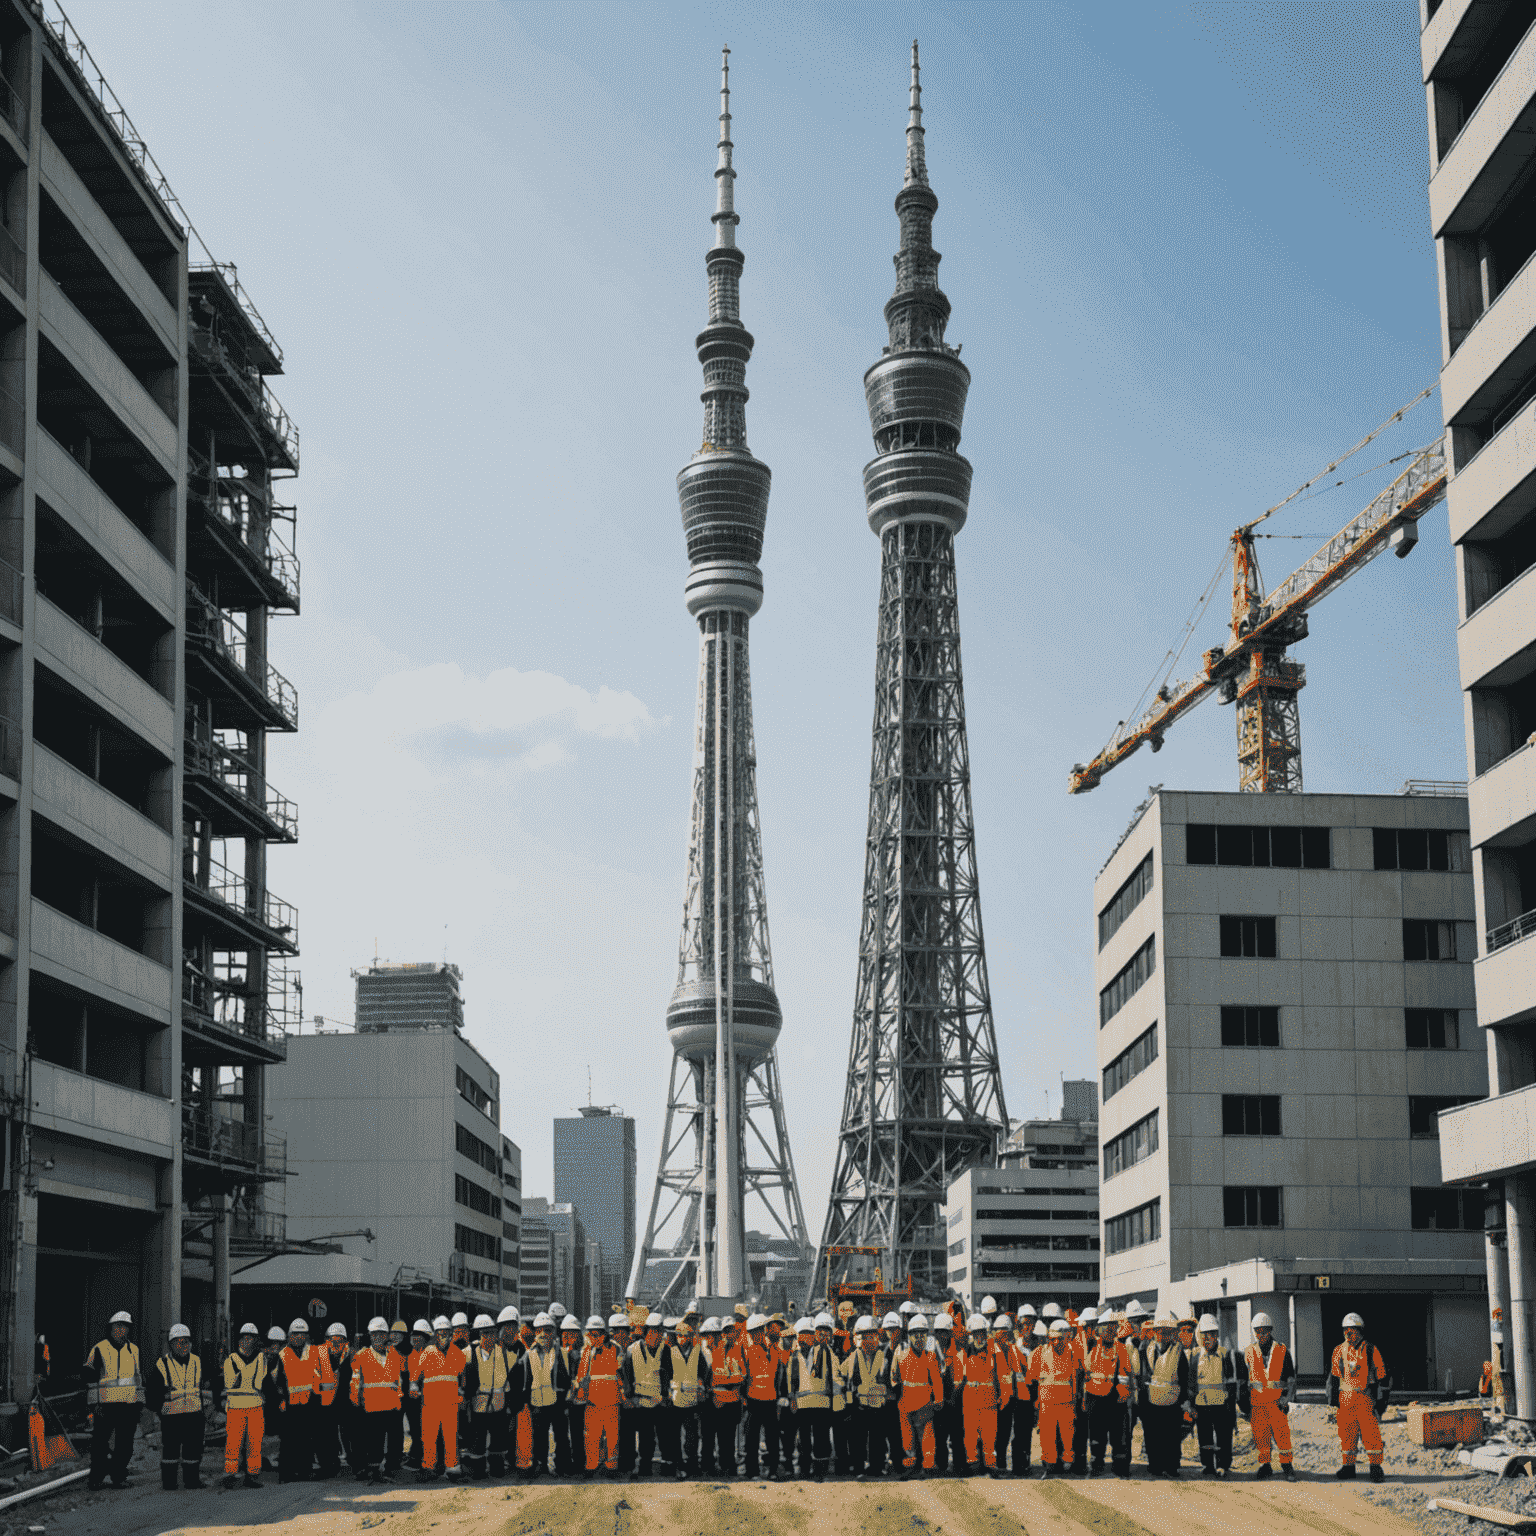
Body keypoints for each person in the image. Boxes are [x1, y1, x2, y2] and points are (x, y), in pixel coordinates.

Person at [84, 1310, 144, 1490]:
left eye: (125, 1327)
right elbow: (90, 1379)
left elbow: (138, 1378)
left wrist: (139, 1403)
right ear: (111, 1329)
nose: (121, 1330)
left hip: (128, 1406)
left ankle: (118, 1477)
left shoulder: (134, 1350)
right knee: (99, 1445)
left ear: (128, 1330)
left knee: (125, 1445)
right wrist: (94, 1405)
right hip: (105, 1406)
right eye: (118, 1327)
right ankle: (96, 1479)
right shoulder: (98, 1349)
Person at [1328, 1312, 1390, 1483]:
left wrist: (1381, 1405)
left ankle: (1376, 1468)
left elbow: (1383, 1378)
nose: (1348, 1334)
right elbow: (1333, 1379)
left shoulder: (1371, 1350)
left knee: (1371, 1434)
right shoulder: (1338, 1351)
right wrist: (1333, 1402)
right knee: (1347, 1434)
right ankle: (1348, 1467)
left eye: (1352, 1330)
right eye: (1345, 1330)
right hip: (1345, 1401)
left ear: (1360, 1331)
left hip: (1365, 1399)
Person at [147, 1323, 207, 1490]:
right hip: (171, 1417)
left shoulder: (197, 1361)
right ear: (171, 1345)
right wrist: (160, 1410)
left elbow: (199, 1388)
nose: (183, 1346)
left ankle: (192, 1481)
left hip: (194, 1415)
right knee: (170, 1452)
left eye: (186, 1341)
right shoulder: (162, 1364)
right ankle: (169, 1482)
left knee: (193, 1451)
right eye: (179, 1342)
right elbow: (151, 1394)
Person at [1240, 1312, 1297, 1481]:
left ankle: (1287, 1467)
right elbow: (1245, 1380)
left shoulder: (1282, 1350)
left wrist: (1287, 1399)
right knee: (1261, 1438)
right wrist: (1245, 1405)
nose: (1261, 1335)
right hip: (1257, 1405)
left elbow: (1291, 1378)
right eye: (1258, 1331)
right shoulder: (1249, 1352)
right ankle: (1265, 1466)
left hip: (1276, 1404)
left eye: (1264, 1331)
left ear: (1270, 1331)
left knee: (1283, 1438)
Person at [275, 1317, 331, 1482]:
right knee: (288, 1441)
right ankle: (286, 1473)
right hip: (291, 1404)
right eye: (296, 1334)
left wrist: (322, 1398)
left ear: (306, 1336)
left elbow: (325, 1377)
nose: (299, 1337)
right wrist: (281, 1400)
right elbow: (279, 1382)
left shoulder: (315, 1352)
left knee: (307, 1440)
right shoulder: (283, 1354)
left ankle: (305, 1471)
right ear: (290, 1336)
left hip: (311, 1403)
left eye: (302, 1334)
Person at [350, 1318, 405, 1483]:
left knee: (394, 1441)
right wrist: (355, 1399)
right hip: (372, 1406)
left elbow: (398, 1379)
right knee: (374, 1441)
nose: (378, 1337)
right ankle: (374, 1471)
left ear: (386, 1335)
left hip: (392, 1405)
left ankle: (390, 1470)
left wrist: (400, 1398)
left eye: (381, 1334)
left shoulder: (394, 1355)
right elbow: (355, 1379)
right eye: (375, 1334)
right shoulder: (362, 1355)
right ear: (370, 1336)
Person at [412, 1316, 466, 1481]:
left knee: (450, 1436)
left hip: (450, 1404)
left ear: (450, 1334)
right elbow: (416, 1375)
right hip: (430, 1404)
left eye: (446, 1333)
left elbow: (462, 1379)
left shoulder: (457, 1353)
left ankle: (453, 1469)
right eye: (439, 1333)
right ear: (435, 1334)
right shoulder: (427, 1352)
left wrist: (461, 1395)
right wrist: (413, 1386)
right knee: (429, 1437)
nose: (442, 1335)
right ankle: (428, 1468)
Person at [1027, 1318, 1081, 1478]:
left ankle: (1067, 1464)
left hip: (1066, 1403)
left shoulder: (1073, 1353)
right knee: (1047, 1436)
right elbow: (1031, 1379)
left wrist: (1077, 1400)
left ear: (1067, 1337)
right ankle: (1049, 1467)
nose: (1056, 1342)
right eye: (1052, 1339)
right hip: (1046, 1403)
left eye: (1059, 1339)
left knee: (1068, 1436)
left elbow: (1077, 1377)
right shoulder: (1040, 1352)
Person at [892, 1314, 944, 1480]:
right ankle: (910, 1467)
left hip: (925, 1403)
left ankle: (928, 1467)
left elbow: (936, 1379)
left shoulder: (930, 1356)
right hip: (906, 1403)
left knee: (927, 1437)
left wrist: (939, 1398)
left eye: (922, 1334)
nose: (919, 1338)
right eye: (915, 1334)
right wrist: (896, 1392)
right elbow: (893, 1376)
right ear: (909, 1336)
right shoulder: (901, 1354)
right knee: (908, 1438)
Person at [1140, 1316, 1192, 1478]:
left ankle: (1171, 1466)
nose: (1162, 1336)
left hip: (1172, 1402)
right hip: (1151, 1402)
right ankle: (1155, 1465)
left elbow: (1184, 1377)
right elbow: (1143, 1376)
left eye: (1166, 1333)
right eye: (1159, 1332)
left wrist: (1184, 1400)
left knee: (1171, 1436)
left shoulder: (1178, 1352)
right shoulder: (1146, 1350)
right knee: (1152, 1435)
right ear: (1154, 1333)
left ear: (1171, 1334)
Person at [958, 1314, 1009, 1477]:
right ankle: (973, 1465)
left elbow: (1004, 1374)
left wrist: (1005, 1393)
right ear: (971, 1334)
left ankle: (990, 1465)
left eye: (982, 1332)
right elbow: (958, 1378)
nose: (979, 1336)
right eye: (976, 1333)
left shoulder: (994, 1350)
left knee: (989, 1433)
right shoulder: (965, 1350)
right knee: (971, 1434)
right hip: (970, 1397)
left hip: (989, 1397)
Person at [1084, 1311, 1133, 1479]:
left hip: (1114, 1398)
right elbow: (1084, 1370)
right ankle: (1096, 1465)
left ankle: (1120, 1467)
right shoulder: (1091, 1346)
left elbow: (1125, 1373)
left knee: (1118, 1435)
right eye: (1107, 1327)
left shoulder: (1121, 1348)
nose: (1110, 1331)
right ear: (1099, 1329)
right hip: (1094, 1397)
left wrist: (1124, 1392)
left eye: (1113, 1328)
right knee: (1096, 1434)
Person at [465, 1314, 515, 1479]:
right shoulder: (469, 1353)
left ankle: (497, 1468)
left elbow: (515, 1370)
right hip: (478, 1404)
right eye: (485, 1333)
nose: (489, 1337)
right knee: (477, 1439)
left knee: (498, 1439)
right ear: (479, 1335)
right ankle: (478, 1470)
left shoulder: (505, 1354)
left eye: (492, 1333)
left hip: (499, 1404)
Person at [574, 1317, 625, 1478]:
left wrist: (624, 1396)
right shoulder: (586, 1351)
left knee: (612, 1436)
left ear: (604, 1334)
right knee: (591, 1435)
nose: (594, 1338)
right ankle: (591, 1465)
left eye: (597, 1334)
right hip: (592, 1401)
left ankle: (611, 1466)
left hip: (611, 1400)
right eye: (591, 1334)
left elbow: (621, 1374)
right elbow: (581, 1376)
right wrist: (580, 1392)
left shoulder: (615, 1349)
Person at [222, 1323, 269, 1489]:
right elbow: (228, 1384)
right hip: (236, 1406)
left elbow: (265, 1381)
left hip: (255, 1406)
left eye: (250, 1338)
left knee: (255, 1443)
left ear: (255, 1340)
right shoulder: (231, 1360)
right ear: (239, 1340)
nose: (247, 1341)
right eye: (244, 1338)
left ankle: (253, 1475)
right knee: (233, 1442)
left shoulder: (261, 1359)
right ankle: (230, 1474)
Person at [786, 1317, 834, 1481]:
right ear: (798, 1337)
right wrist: (792, 1399)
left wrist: (832, 1400)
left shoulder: (823, 1352)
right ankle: (805, 1468)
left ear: (813, 1336)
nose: (805, 1337)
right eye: (802, 1334)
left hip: (821, 1403)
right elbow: (791, 1381)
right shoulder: (794, 1356)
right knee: (804, 1439)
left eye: (808, 1334)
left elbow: (830, 1377)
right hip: (802, 1405)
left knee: (821, 1438)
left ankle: (821, 1470)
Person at [843, 1316, 891, 1480]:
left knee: (877, 1439)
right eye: (866, 1336)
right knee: (858, 1439)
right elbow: (844, 1380)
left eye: (873, 1336)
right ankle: (859, 1468)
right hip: (859, 1407)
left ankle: (876, 1467)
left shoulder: (883, 1358)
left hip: (878, 1407)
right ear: (859, 1338)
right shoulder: (852, 1358)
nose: (870, 1339)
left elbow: (888, 1381)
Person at [625, 1312, 671, 1481]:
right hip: (641, 1401)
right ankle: (645, 1465)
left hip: (660, 1401)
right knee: (645, 1436)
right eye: (652, 1332)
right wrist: (630, 1397)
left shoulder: (666, 1350)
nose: (656, 1336)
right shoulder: (632, 1350)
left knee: (664, 1435)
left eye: (659, 1332)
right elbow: (627, 1376)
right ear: (645, 1333)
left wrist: (666, 1397)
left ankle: (667, 1465)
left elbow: (669, 1375)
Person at [1191, 1316, 1237, 1478]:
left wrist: (1231, 1408)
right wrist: (1191, 1406)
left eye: (1211, 1334)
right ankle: (1208, 1465)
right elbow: (1192, 1384)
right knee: (1205, 1437)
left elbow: (1231, 1384)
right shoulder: (1196, 1357)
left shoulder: (1225, 1355)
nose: (1207, 1338)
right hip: (1202, 1406)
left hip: (1221, 1405)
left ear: (1216, 1335)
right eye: (1204, 1334)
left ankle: (1223, 1465)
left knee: (1224, 1437)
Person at [665, 1318, 711, 1478]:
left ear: (690, 1336)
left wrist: (702, 1387)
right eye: (679, 1336)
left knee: (692, 1436)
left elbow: (705, 1373)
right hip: (676, 1399)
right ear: (676, 1337)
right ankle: (679, 1465)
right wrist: (668, 1392)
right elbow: (666, 1374)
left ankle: (692, 1464)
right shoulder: (671, 1352)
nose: (682, 1339)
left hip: (692, 1400)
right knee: (674, 1436)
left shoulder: (697, 1352)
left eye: (685, 1336)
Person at [742, 1313, 784, 1481]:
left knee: (772, 1439)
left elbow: (778, 1377)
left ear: (764, 1331)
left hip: (770, 1401)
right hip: (753, 1401)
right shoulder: (748, 1352)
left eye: (758, 1332)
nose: (755, 1336)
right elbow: (745, 1377)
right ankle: (751, 1471)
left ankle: (773, 1470)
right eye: (752, 1333)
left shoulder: (775, 1351)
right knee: (751, 1439)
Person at [703, 1316, 744, 1477]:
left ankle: (728, 1467)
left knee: (727, 1438)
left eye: (715, 1334)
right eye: (708, 1335)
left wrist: (723, 1382)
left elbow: (740, 1377)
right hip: (713, 1402)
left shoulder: (737, 1351)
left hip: (731, 1403)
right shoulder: (711, 1353)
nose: (729, 1334)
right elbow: (708, 1378)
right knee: (709, 1438)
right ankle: (709, 1467)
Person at [319, 1323, 352, 1477]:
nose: (335, 1344)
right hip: (327, 1404)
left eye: (339, 1341)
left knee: (349, 1434)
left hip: (346, 1402)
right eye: (332, 1340)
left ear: (345, 1342)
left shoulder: (351, 1357)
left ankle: (355, 1463)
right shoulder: (320, 1357)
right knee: (328, 1435)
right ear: (327, 1340)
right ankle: (330, 1465)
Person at [402, 1321, 431, 1473]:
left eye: (419, 1336)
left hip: (425, 1400)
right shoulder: (411, 1355)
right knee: (415, 1430)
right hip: (412, 1401)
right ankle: (415, 1455)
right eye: (414, 1335)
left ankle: (420, 1459)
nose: (415, 1338)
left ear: (425, 1338)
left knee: (422, 1430)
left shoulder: (429, 1354)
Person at [561, 1314, 587, 1473]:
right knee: (567, 1434)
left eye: (572, 1333)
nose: (569, 1337)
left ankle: (580, 1462)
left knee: (579, 1433)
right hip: (566, 1401)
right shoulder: (561, 1352)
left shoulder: (583, 1353)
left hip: (580, 1401)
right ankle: (569, 1462)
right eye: (566, 1333)